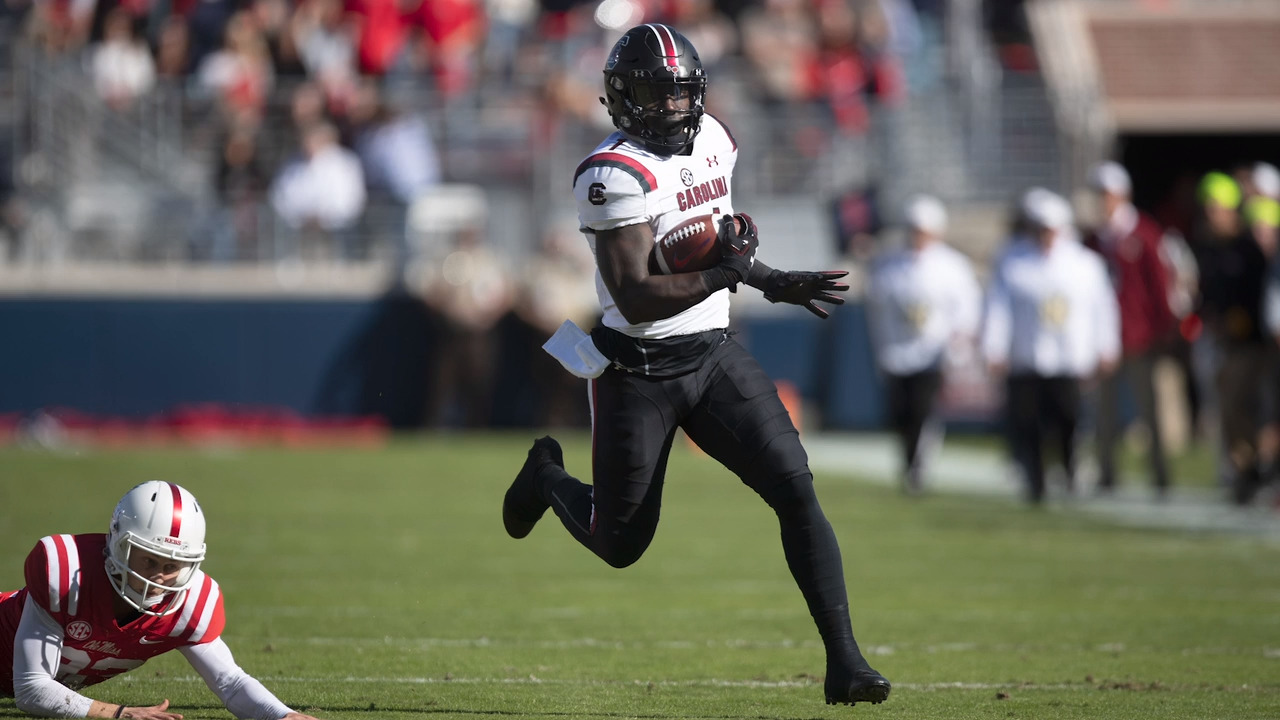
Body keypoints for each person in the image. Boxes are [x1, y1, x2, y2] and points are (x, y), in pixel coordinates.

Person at [499, 24, 890, 707]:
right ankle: (546, 476)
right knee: (620, 544)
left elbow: (715, 244)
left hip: (712, 355)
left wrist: (767, 279)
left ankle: (846, 663)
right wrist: (732, 275)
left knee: (795, 487)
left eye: (681, 93)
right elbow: (638, 294)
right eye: (657, 94)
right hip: (637, 370)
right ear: (622, 99)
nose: (674, 108)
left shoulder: (715, 139)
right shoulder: (610, 173)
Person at [0, 481, 323, 720]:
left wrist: (282, 715)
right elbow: (31, 690)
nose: (158, 577)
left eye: (171, 566)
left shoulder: (190, 604)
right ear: (118, 546)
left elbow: (231, 682)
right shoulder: (69, 576)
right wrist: (121, 713)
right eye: (148, 561)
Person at [982, 188, 1120, 504]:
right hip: (1027, 357)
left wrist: (1105, 345)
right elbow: (998, 308)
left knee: (1068, 418)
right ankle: (1036, 481)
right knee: (1028, 422)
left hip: (1068, 358)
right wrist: (995, 347)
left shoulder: (1085, 264)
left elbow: (1102, 307)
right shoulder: (1013, 261)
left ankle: (1071, 468)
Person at [865, 194, 981, 494]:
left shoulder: (953, 266)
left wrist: (957, 346)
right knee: (901, 414)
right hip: (898, 352)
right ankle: (909, 463)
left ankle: (919, 467)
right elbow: (878, 310)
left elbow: (967, 311)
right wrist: (882, 349)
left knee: (922, 410)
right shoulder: (889, 264)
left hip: (933, 353)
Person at [1082, 161, 1175, 498]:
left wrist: (1162, 328)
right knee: (1103, 412)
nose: (1103, 201)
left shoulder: (1144, 234)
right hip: (1104, 340)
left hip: (1138, 336)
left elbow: (1160, 285)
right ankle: (1107, 474)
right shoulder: (1094, 239)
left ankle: (1160, 476)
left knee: (1148, 409)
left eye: (1108, 195)